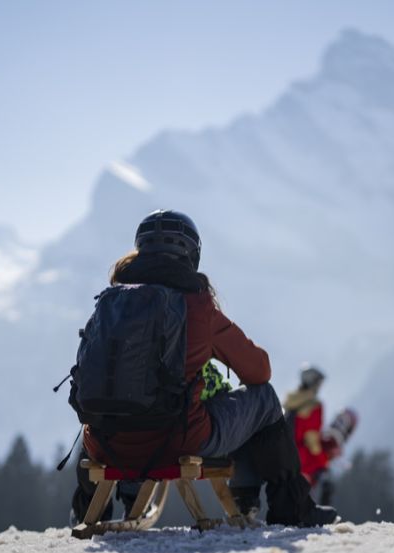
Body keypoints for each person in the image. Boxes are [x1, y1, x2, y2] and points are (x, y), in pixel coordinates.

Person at [72, 209, 337, 527]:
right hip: (177, 439)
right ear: (191, 254)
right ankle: (292, 508)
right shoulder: (196, 304)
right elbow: (259, 370)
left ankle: (88, 510)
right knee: (264, 397)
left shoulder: (109, 303)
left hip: (105, 442)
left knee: (107, 407)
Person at [283, 365, 331, 497]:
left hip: (285, 456)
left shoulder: (289, 402)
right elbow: (312, 441)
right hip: (304, 460)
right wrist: (323, 462)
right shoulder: (314, 406)